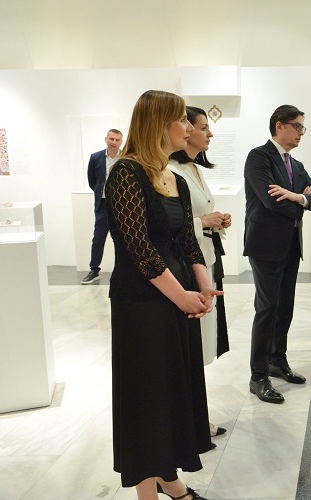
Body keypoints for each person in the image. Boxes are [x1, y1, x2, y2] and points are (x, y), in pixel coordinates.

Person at [106, 90, 221, 500]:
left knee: (171, 393)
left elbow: (188, 241)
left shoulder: (176, 178)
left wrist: (202, 284)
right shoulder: (125, 173)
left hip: (176, 296)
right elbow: (140, 250)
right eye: (182, 120)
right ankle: (148, 493)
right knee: (146, 398)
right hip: (142, 302)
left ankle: (169, 481)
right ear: (159, 124)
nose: (189, 128)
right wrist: (183, 297)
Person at [243, 104, 311, 403]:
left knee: (285, 307)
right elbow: (270, 201)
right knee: (267, 308)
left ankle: (277, 361)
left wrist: (294, 195)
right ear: (279, 126)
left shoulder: (296, 164)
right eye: (297, 126)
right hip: (265, 244)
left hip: (290, 244)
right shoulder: (259, 157)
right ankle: (258, 376)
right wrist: (303, 200)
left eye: (303, 127)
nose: (302, 132)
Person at [168, 105, 232, 439]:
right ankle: (192, 420)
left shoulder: (193, 168)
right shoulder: (171, 170)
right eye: (202, 127)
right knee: (192, 343)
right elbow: (169, 224)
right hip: (186, 265)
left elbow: (195, 213)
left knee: (204, 341)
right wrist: (202, 221)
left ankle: (196, 416)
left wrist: (215, 221)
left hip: (205, 259)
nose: (209, 133)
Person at [81, 129, 122, 284]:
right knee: (98, 237)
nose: (114, 142)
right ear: (106, 139)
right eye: (111, 139)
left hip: (121, 204)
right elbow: (92, 181)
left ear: (121, 142)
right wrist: (102, 193)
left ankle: (123, 270)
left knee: (123, 238)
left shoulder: (125, 157)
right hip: (103, 204)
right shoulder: (95, 157)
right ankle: (94, 270)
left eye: (117, 140)